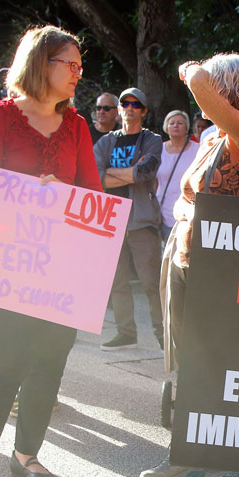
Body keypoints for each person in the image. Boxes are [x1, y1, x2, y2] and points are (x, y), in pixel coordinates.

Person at [0, 25, 101, 477]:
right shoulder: (0, 118)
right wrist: (28, 199)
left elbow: (94, 197)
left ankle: (26, 455)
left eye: (81, 65)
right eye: (71, 64)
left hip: (61, 264)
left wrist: (59, 199)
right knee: (6, 363)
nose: (79, 73)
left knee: (50, 361)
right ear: (42, 63)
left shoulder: (78, 125)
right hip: (8, 262)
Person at [139, 52, 239, 477]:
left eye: (212, 87)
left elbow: (199, 90)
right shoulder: (214, 139)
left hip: (225, 267)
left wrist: (194, 70)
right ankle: (186, 453)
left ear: (228, 89)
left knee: (230, 366)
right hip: (186, 253)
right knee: (188, 360)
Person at [95, 88, 164, 351]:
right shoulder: (106, 142)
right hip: (110, 219)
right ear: (120, 108)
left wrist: (112, 173)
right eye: (125, 103)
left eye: (136, 104)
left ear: (144, 111)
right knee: (117, 281)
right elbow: (96, 175)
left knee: (150, 282)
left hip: (141, 219)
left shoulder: (152, 140)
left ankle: (162, 334)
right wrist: (129, 174)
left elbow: (145, 173)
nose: (130, 107)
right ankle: (126, 333)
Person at [157, 110, 199, 240]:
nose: (175, 126)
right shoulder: (158, 149)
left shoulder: (198, 149)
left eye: (180, 123)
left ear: (187, 128)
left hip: (187, 211)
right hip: (161, 211)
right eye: (172, 123)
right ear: (166, 128)